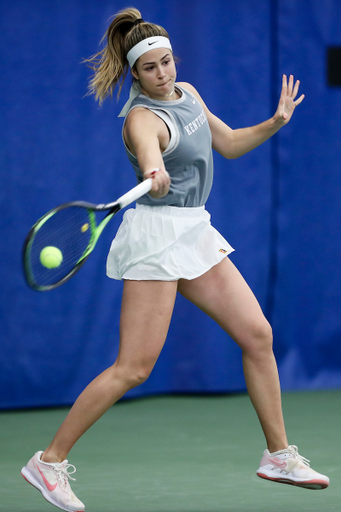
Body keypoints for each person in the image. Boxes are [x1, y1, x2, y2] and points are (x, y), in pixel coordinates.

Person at [21, 7, 330, 512]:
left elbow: (228, 144)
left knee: (258, 335)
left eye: (167, 62)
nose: (163, 74)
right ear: (135, 74)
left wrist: (275, 121)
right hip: (155, 238)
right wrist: (153, 169)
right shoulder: (143, 118)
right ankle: (48, 461)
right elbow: (149, 152)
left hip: (194, 229)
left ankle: (278, 455)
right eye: (151, 68)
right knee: (133, 368)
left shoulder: (189, 94)